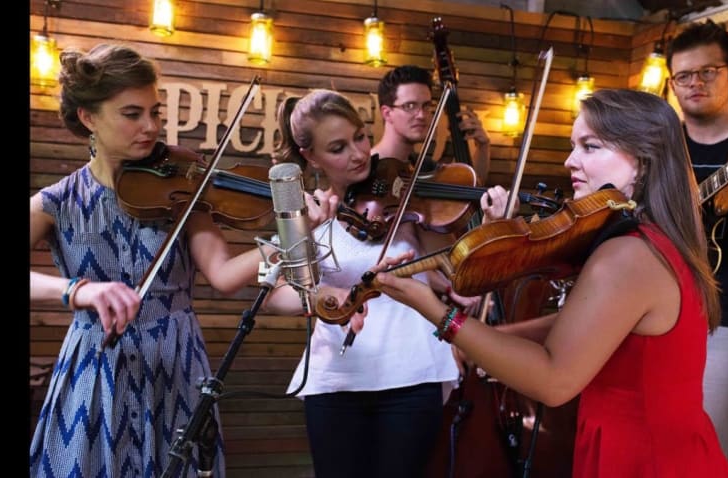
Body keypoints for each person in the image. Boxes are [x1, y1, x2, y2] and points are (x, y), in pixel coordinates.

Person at [368, 89, 728, 477]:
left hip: (642, 458)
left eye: (589, 147)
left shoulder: (628, 257)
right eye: (572, 145)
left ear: (643, 161)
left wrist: (436, 312)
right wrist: (498, 339)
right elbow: (589, 327)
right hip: (670, 448)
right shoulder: (659, 240)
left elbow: (554, 380)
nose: (569, 161)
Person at [28, 43, 334, 477]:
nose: (151, 127)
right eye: (132, 114)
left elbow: (225, 276)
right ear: (88, 117)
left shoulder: (183, 184)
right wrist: (77, 290)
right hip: (96, 369)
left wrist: (294, 227)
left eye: (156, 112)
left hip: (176, 363)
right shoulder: (56, 202)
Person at [265, 88, 497, 478]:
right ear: (310, 156)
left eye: (360, 137)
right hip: (335, 380)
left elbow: (455, 271)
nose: (358, 154)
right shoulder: (304, 214)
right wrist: (326, 294)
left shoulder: (407, 202)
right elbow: (276, 293)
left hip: (412, 375)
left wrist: (488, 224)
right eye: (338, 147)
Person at [667, 19, 728, 458]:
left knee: (704, 451)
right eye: (684, 75)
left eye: (707, 72)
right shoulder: (659, 149)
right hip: (654, 311)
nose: (695, 83)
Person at [373, 65, 491, 183]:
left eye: (426, 106)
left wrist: (483, 146)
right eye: (410, 106)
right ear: (387, 113)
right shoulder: (366, 168)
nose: (422, 115)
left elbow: (471, 187)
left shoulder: (424, 167)